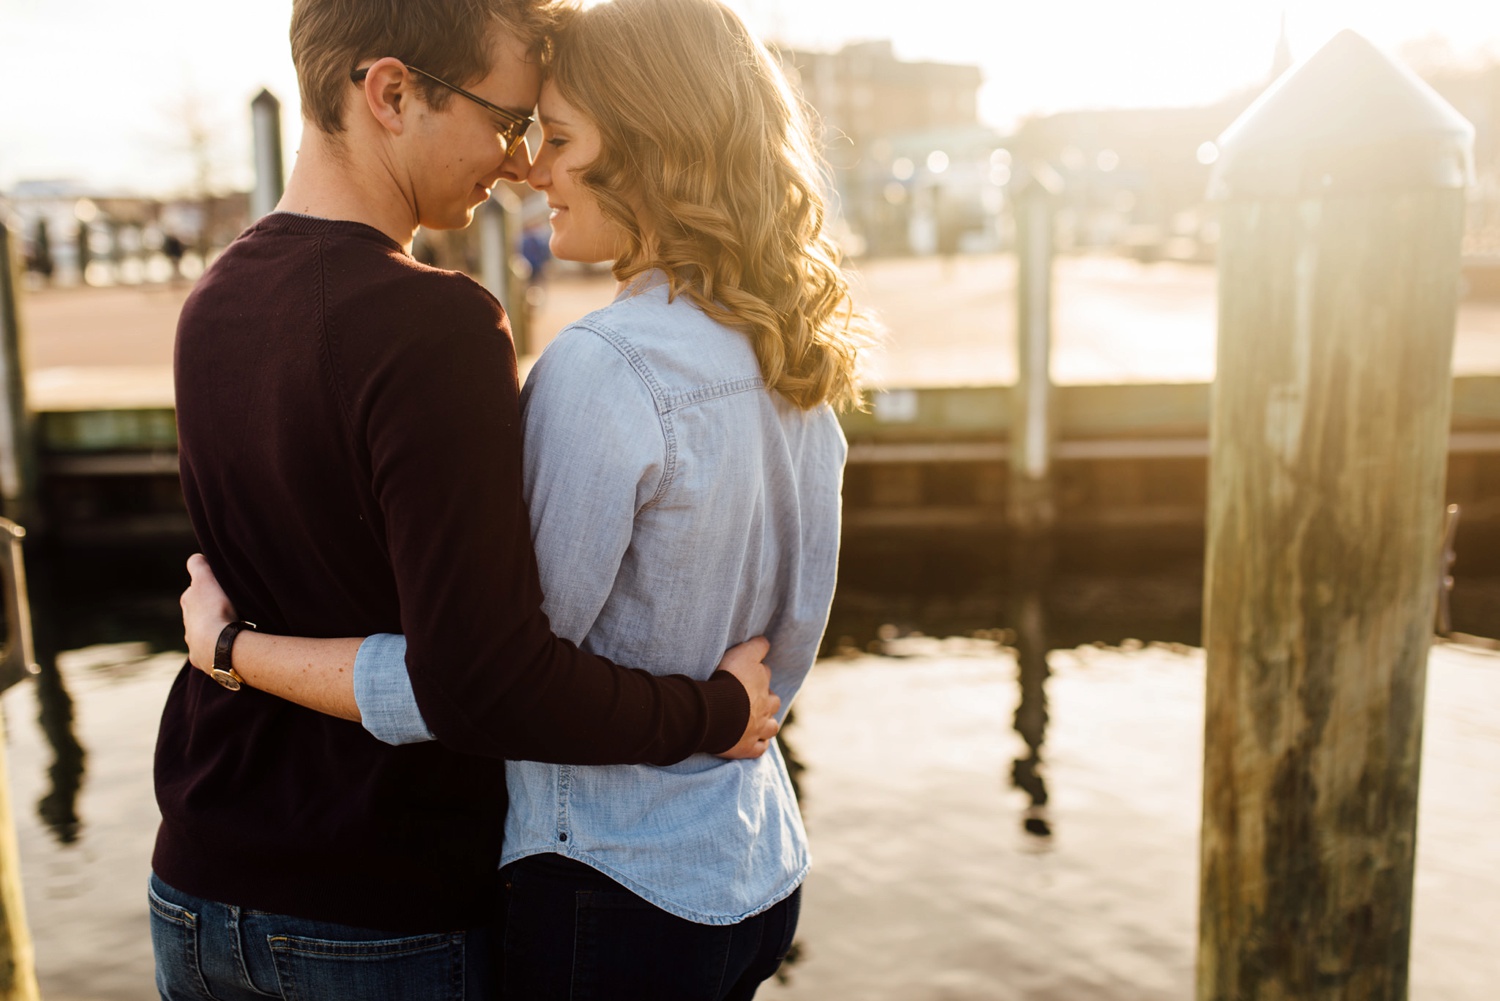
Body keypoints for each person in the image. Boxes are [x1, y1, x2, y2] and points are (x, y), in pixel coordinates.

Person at [179, 0, 872, 996]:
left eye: (551, 134)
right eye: (519, 126)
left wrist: (230, 650)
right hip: (746, 863)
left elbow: (479, 680)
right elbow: (785, 646)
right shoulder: (795, 363)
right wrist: (718, 709)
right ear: (388, 92)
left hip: (578, 875)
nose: (526, 165)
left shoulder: (213, 304)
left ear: (649, 152)